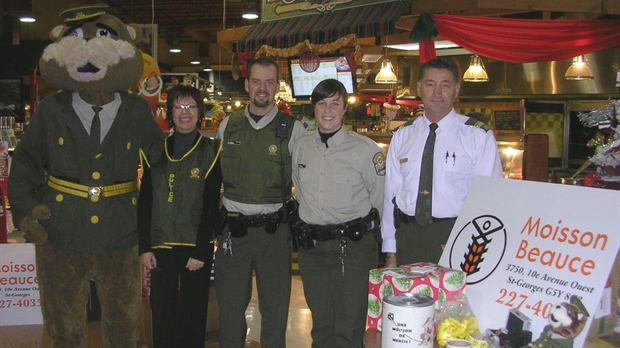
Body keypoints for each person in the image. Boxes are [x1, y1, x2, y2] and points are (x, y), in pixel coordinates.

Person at [7, 5, 164, 347]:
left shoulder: (137, 111)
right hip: (61, 229)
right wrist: (25, 210)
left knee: (124, 324)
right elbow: (26, 164)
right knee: (63, 324)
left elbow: (162, 165)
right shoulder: (50, 110)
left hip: (120, 229)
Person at [215, 57, 306, 348]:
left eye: (269, 81)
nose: (262, 88)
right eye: (256, 81)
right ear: (247, 84)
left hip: (274, 232)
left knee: (275, 308)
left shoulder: (293, 129)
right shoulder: (228, 125)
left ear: (277, 86)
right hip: (233, 231)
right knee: (229, 307)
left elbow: (304, 186)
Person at [290, 79, 385, 348]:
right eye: (321, 103)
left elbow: (379, 200)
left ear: (345, 110)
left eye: (335, 103)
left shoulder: (365, 150)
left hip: (352, 248)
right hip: (313, 249)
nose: (328, 110)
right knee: (321, 325)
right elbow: (298, 188)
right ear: (313, 109)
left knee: (349, 325)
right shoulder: (301, 146)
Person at [382, 58, 503, 267]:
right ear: (419, 88)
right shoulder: (402, 136)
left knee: (452, 301)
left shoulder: (477, 136)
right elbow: (390, 197)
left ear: (456, 90)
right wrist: (390, 251)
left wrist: (480, 251)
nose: (437, 93)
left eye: (445, 85)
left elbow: (490, 200)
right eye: (430, 84)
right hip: (408, 237)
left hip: (456, 237)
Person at [138, 85, 222, 348]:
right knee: (162, 311)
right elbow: (145, 202)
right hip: (160, 246)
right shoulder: (153, 150)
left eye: (191, 107)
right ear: (170, 112)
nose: (185, 113)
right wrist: (144, 247)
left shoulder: (211, 151)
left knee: (193, 313)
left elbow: (211, 205)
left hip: (195, 249)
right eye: (179, 107)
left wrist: (201, 250)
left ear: (200, 113)